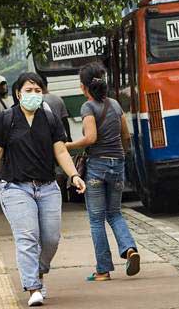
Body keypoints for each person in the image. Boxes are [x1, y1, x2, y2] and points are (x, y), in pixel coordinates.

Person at [0, 72, 86, 307]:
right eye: (28, 90)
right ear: (18, 93)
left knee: (51, 238)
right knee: (28, 237)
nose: (34, 95)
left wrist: (73, 175)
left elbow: (61, 151)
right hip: (16, 188)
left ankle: (38, 271)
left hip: (47, 188)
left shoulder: (50, 118)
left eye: (38, 91)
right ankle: (33, 287)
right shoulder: (6, 119)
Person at [65, 61, 140, 282]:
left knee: (96, 219)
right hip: (117, 164)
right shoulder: (115, 105)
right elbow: (126, 136)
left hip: (97, 167)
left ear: (83, 87)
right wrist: (120, 155)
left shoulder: (88, 107)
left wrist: (67, 146)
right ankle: (130, 250)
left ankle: (103, 270)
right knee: (115, 213)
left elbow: (91, 138)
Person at [41, 75, 72, 142]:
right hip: (60, 136)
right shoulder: (58, 99)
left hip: (46, 138)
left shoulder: (37, 101)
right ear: (47, 84)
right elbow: (65, 121)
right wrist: (69, 136)